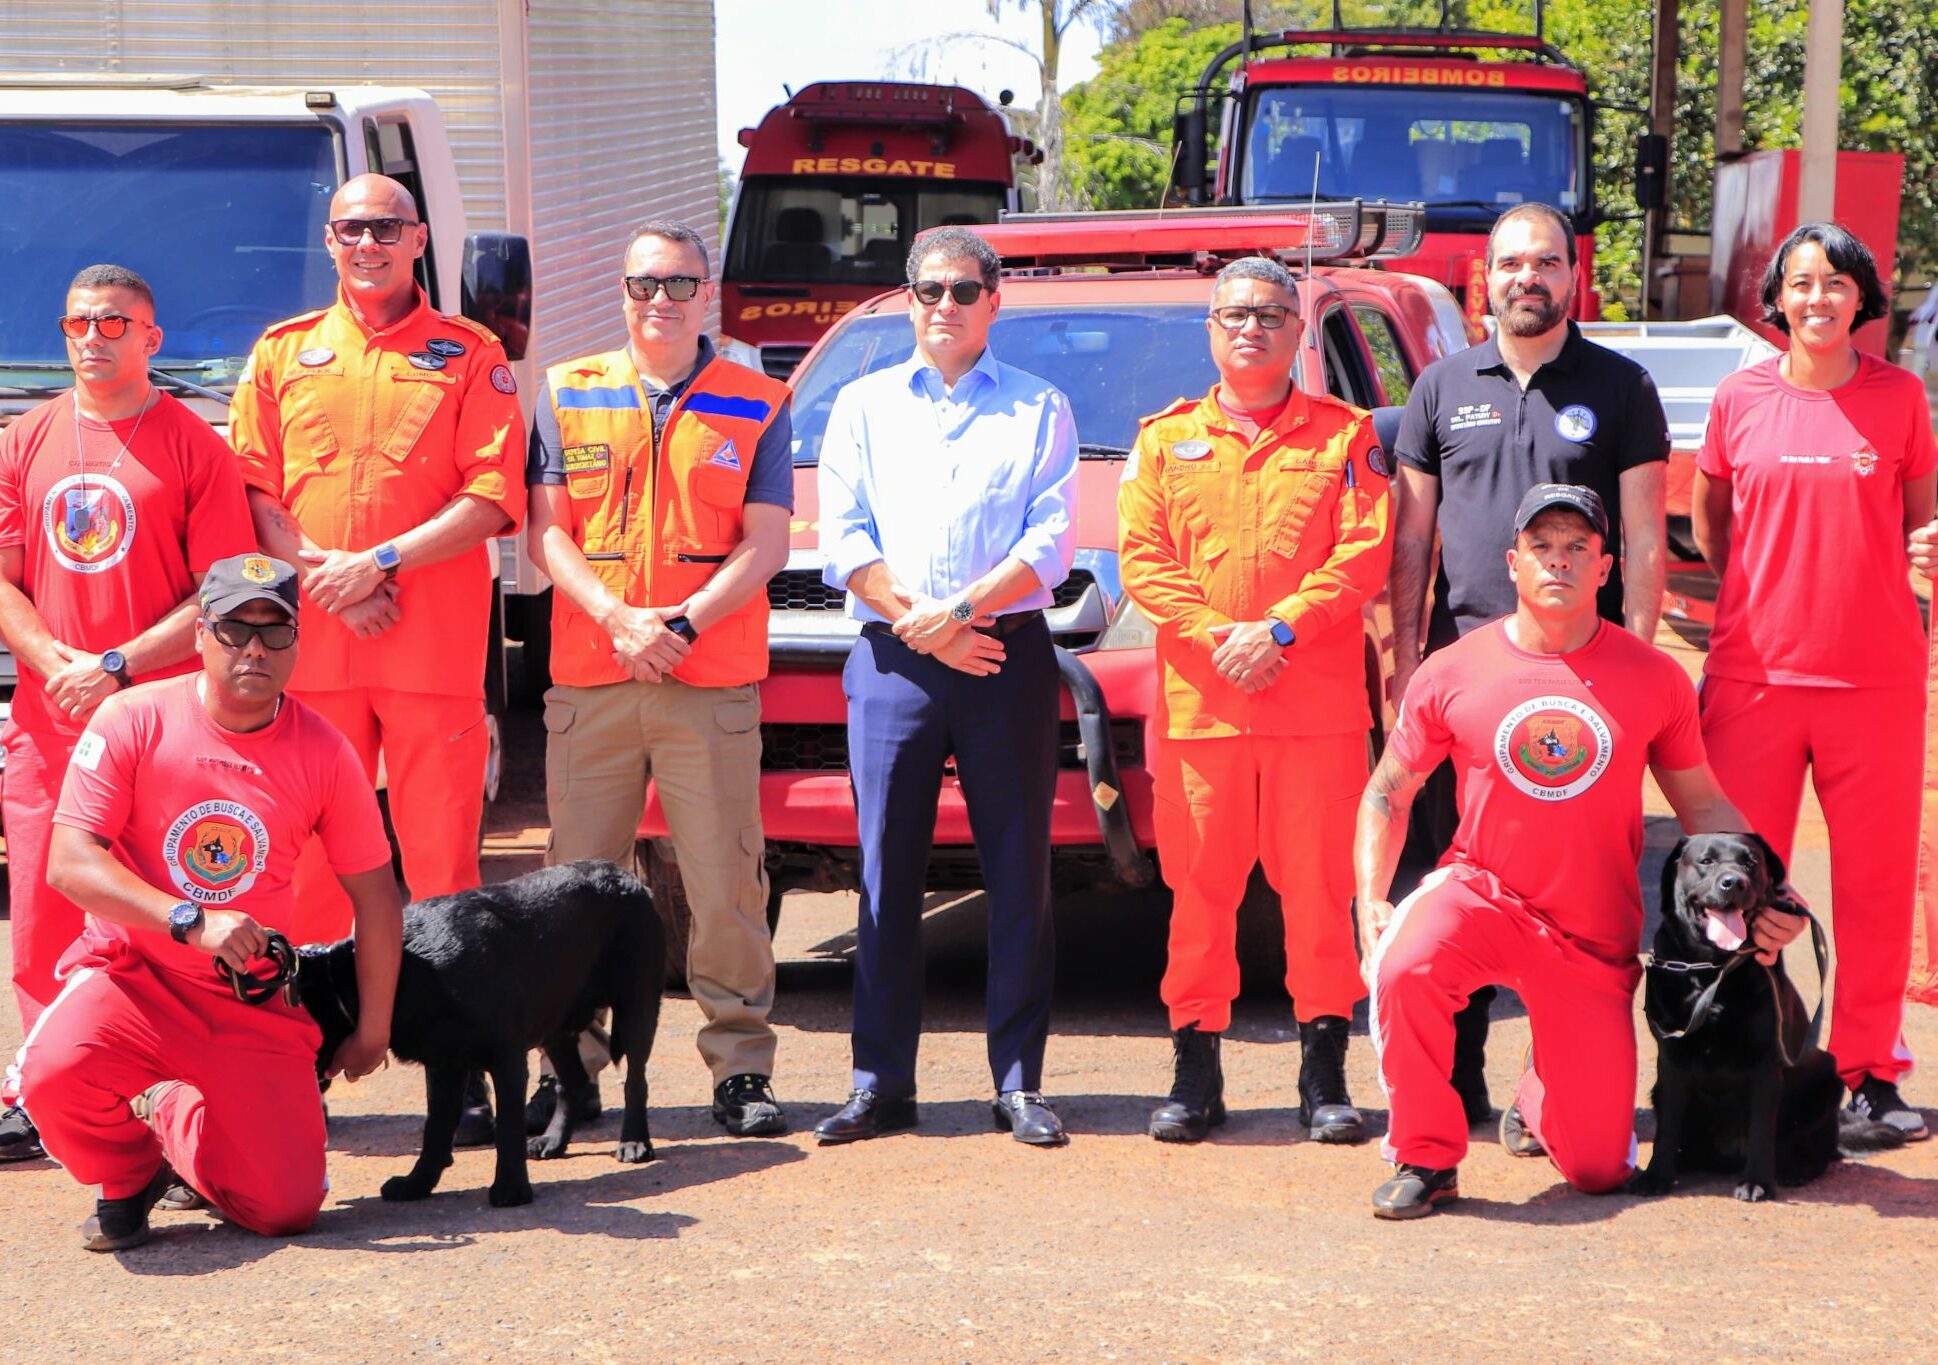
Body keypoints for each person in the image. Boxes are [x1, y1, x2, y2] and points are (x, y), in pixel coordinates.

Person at [1356, 485, 1800, 1218]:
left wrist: (1778, 888)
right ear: (1512, 563)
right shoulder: (1453, 669)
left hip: (1591, 930)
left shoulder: (1654, 676)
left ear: (1606, 567)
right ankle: (1426, 1155)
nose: (1557, 562)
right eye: (1541, 547)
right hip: (1480, 894)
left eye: (1577, 549)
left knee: (1597, 1168)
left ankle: (1542, 1087)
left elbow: (1704, 805)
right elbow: (1386, 793)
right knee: (1405, 964)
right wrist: (1371, 896)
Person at [229, 173, 525, 1140]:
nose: (369, 241)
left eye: (386, 227)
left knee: (441, 862)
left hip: (430, 647)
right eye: (352, 227)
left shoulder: (471, 355)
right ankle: (297, 1054)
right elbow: (254, 486)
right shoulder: (284, 352)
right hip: (313, 649)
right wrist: (323, 576)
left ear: (418, 236)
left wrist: (379, 562)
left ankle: (462, 1069)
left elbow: (492, 493)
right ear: (330, 238)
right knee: (308, 860)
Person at [15, 554, 402, 1251]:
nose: (254, 647)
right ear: (199, 633)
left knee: (286, 1208)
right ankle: (130, 1169)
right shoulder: (132, 717)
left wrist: (373, 1029)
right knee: (49, 1077)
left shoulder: (325, 750)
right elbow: (69, 863)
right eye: (233, 628)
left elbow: (376, 897)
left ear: (297, 643)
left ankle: (174, 1120)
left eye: (274, 631)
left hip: (246, 999)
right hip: (132, 976)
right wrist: (187, 918)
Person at [1387, 202, 1670, 1120]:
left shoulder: (1622, 386)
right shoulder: (1439, 385)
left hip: (1581, 684)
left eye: (1545, 261)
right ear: (1487, 279)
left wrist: (1632, 667)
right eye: (1510, 263)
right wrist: (1404, 666)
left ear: (1571, 275)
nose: (1527, 277)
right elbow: (1412, 539)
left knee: (1576, 893)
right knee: (1452, 874)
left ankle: (1551, 1082)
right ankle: (1457, 1079)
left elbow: (1642, 541)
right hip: (1463, 677)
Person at [526, 219, 793, 1136]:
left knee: (724, 882)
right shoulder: (567, 391)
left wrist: (678, 623)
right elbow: (548, 533)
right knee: (573, 885)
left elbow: (767, 542)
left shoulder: (757, 398)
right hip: (593, 675)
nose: (662, 301)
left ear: (705, 292)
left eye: (680, 284)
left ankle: (741, 1068)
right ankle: (570, 1068)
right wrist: (619, 619)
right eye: (646, 284)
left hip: (706, 675)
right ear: (623, 292)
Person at [812, 226, 1077, 1146]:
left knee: (1019, 873)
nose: (946, 307)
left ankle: (1019, 1082)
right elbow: (841, 536)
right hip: (891, 661)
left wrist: (958, 614)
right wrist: (920, 623)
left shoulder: (1041, 406)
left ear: (994, 302)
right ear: (908, 299)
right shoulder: (862, 403)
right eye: (930, 290)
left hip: (1003, 656)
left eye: (965, 291)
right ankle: (881, 1081)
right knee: (886, 872)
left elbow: (1050, 543)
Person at [1117, 256, 1392, 1145]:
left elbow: (1364, 553)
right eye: (1235, 314)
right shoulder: (1163, 439)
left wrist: (1274, 630)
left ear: (1298, 331)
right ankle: (1195, 1073)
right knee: (1199, 891)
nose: (1252, 329)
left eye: (1272, 315)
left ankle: (1325, 1076)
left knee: (1316, 891)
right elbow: (1144, 561)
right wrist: (1219, 638)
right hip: (1205, 708)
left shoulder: (1347, 436)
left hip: (1313, 708)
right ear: (1211, 329)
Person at [0, 264, 256, 1162]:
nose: (93, 335)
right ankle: (39, 1084)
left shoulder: (192, 444)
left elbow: (222, 590)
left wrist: (115, 664)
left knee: (166, 904)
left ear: (153, 337)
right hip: (47, 720)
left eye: (115, 320)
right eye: (78, 320)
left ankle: (180, 1086)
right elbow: (3, 576)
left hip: (158, 718)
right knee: (42, 907)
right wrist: (52, 662)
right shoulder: (25, 437)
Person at [1696, 222, 1938, 1141]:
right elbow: (1713, 527)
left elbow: (1915, 528)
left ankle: (1871, 1069)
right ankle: (1743, 1054)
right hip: (1753, 676)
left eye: (1837, 284)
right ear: (1778, 299)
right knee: (1742, 881)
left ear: (1863, 298)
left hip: (1874, 680)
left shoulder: (1901, 398)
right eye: (1801, 284)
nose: (1818, 300)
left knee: (1875, 886)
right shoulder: (1739, 397)